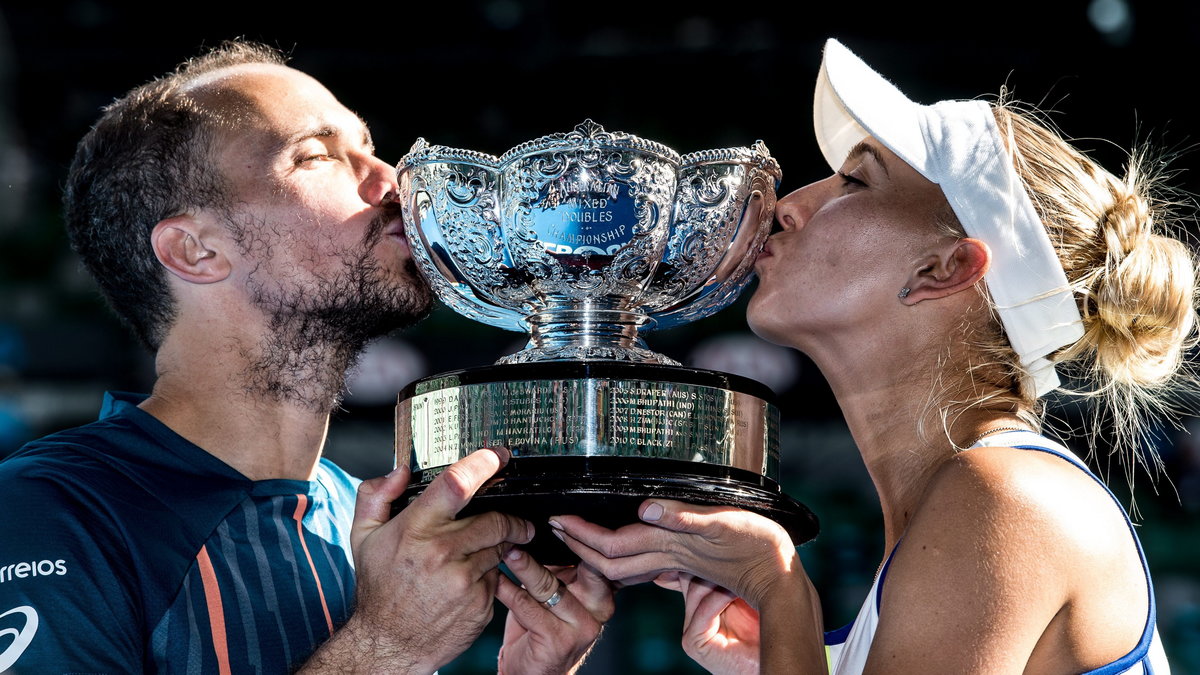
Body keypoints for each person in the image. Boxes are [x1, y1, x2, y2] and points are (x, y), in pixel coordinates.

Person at [550, 38, 1198, 673]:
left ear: (945, 268)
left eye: (855, 181)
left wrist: (781, 592)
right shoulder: (970, 509)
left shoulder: (1004, 498)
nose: (790, 206)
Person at [0, 41, 612, 673]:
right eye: (316, 156)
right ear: (195, 250)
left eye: (371, 147)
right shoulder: (48, 512)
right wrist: (388, 650)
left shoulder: (369, 518)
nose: (392, 180)